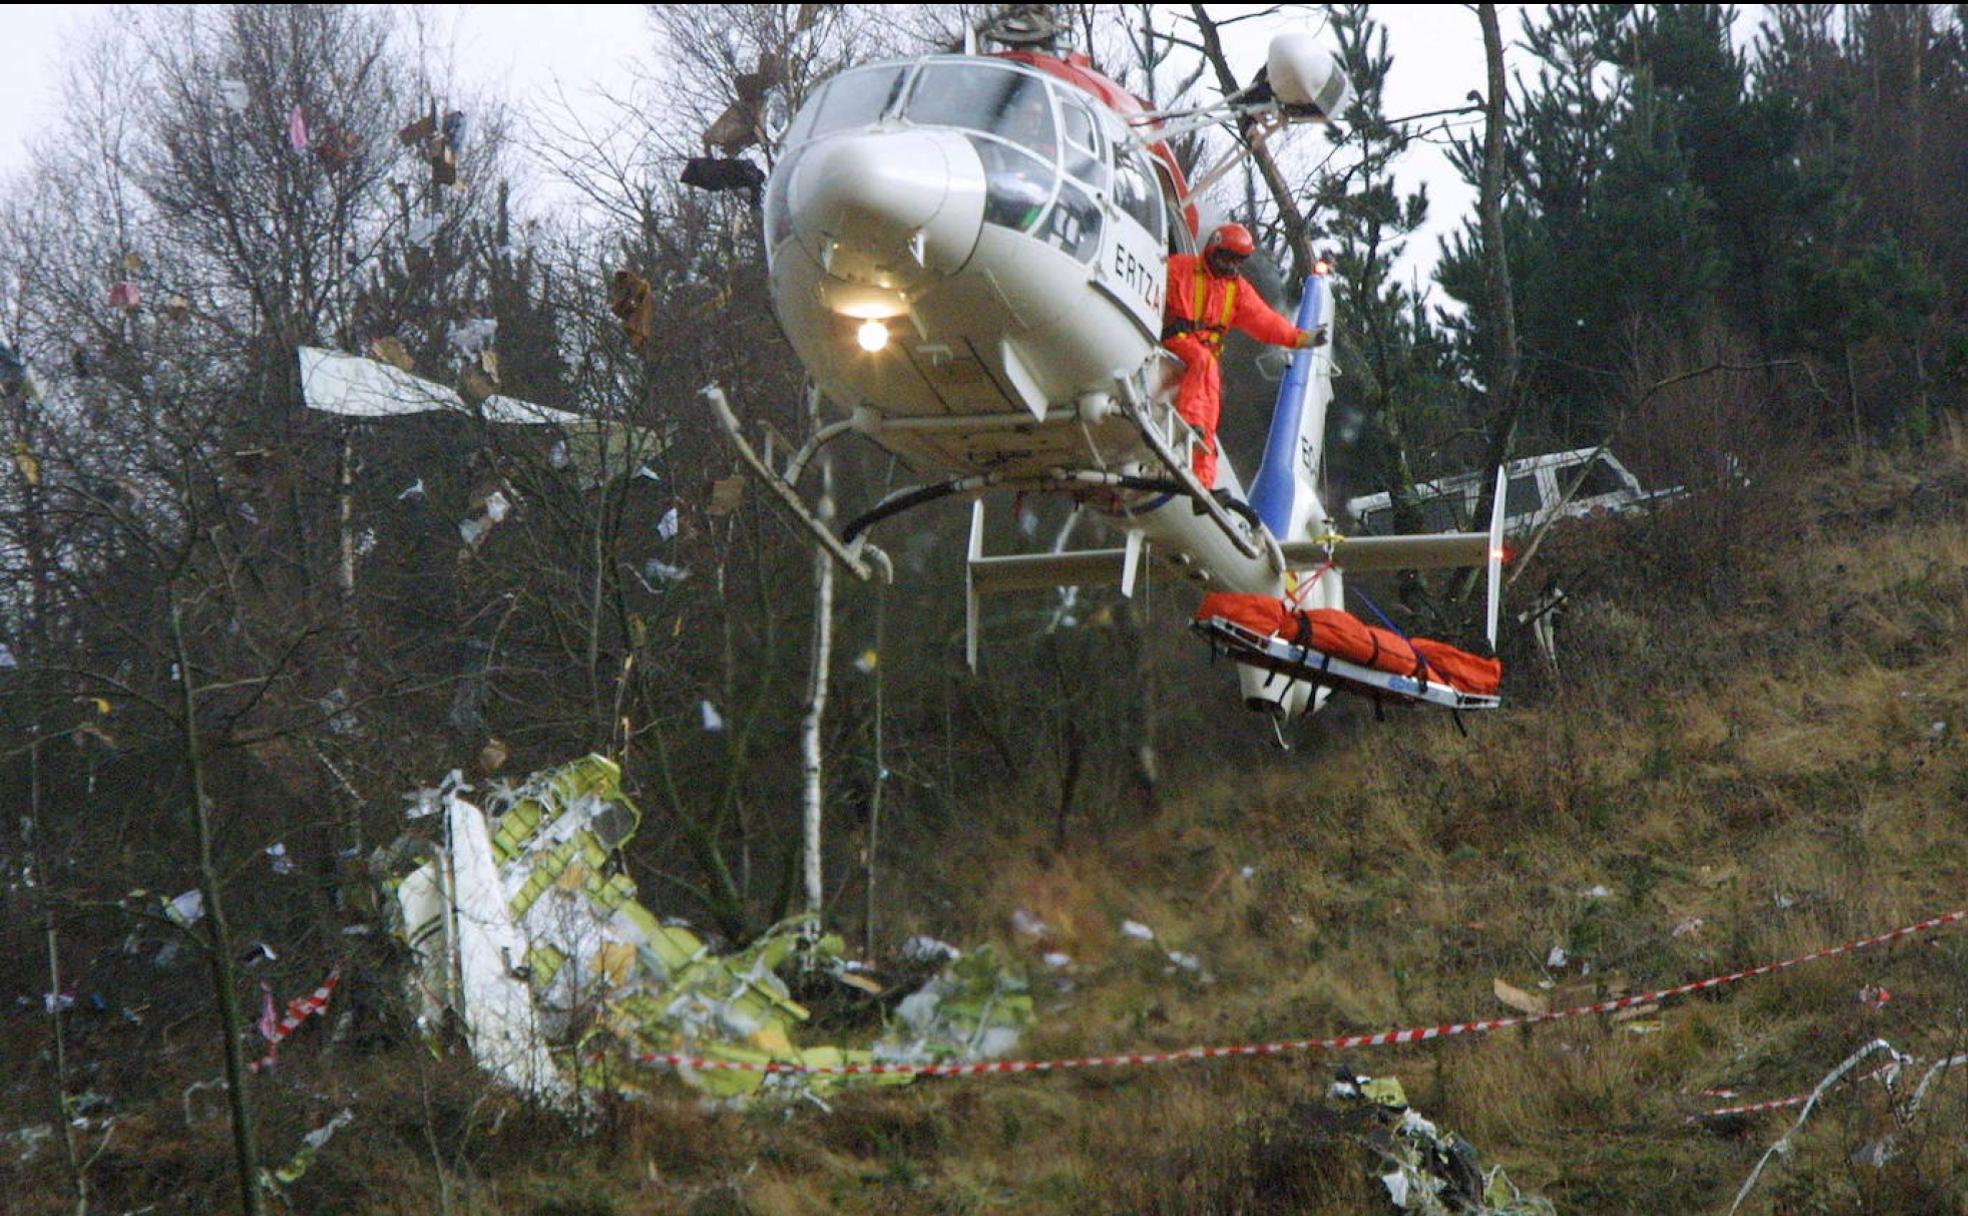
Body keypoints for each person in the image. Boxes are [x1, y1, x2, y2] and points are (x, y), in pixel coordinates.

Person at [1161, 223, 1324, 498]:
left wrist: (1300, 339)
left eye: (1236, 260)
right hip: (1177, 344)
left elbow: (1266, 321)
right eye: (1226, 258)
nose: (1229, 265)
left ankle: (1202, 482)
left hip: (1204, 362)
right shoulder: (1179, 268)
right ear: (1213, 250)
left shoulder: (1236, 291)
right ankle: (1189, 426)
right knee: (1203, 368)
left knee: (1211, 412)